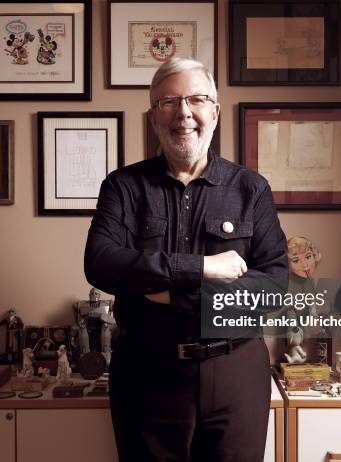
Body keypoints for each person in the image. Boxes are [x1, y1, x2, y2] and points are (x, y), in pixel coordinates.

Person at [84, 58, 287, 462]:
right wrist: (202, 268)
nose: (184, 113)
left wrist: (172, 295)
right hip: (146, 372)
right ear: (152, 115)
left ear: (215, 110)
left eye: (197, 100)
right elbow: (101, 262)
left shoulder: (252, 189)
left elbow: (273, 289)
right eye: (169, 102)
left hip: (236, 371)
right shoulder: (122, 187)